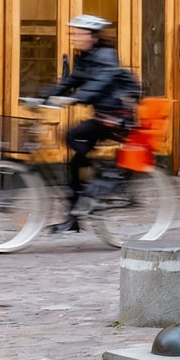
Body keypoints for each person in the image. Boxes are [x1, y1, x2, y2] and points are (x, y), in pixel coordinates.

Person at [46, 14, 137, 233]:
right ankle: (73, 219)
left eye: (80, 33)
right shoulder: (86, 57)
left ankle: (105, 176)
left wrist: (76, 98)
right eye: (74, 33)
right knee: (75, 162)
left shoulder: (106, 56)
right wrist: (44, 98)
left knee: (71, 136)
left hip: (117, 115)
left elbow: (101, 83)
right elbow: (71, 81)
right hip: (103, 115)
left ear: (93, 36)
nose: (75, 37)